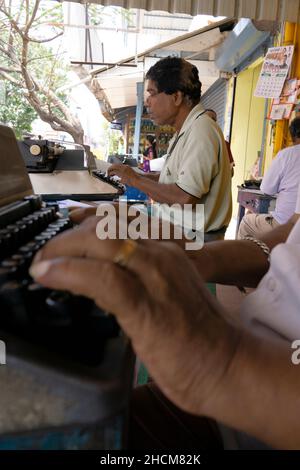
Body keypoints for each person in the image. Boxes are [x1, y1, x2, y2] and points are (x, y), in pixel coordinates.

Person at [28, 183, 300, 449]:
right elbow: (292, 233)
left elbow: (183, 195)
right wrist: (200, 256)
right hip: (241, 395)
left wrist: (226, 362)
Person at [107, 57, 232, 242]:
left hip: (190, 238)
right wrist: (135, 177)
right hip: (176, 228)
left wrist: (135, 179)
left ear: (176, 97)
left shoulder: (201, 130)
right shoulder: (186, 130)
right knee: (103, 215)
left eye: (152, 93)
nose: (147, 102)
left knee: (104, 225)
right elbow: (174, 179)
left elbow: (184, 197)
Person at [238, 117, 300, 239]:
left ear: (293, 136)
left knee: (246, 222)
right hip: (292, 223)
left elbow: (267, 189)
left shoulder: (286, 155)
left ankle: (242, 257)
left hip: (286, 224)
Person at [205, 108, 235, 176]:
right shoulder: (193, 140)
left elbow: (231, 173)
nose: (209, 122)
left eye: (213, 119)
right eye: (206, 118)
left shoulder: (224, 144)